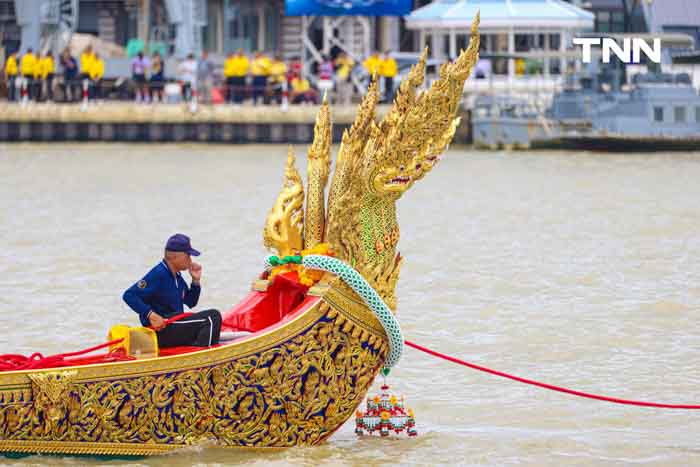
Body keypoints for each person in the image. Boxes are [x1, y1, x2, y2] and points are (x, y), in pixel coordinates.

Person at [123, 234, 221, 348]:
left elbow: (191, 302)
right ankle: (202, 359)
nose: (190, 259)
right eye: (188, 255)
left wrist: (195, 281)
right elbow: (129, 295)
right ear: (174, 256)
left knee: (211, 320)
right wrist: (151, 315)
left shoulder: (177, 277)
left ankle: (201, 351)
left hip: (176, 325)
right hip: (162, 330)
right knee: (212, 318)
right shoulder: (159, 273)